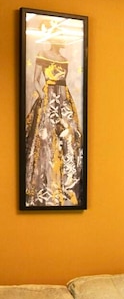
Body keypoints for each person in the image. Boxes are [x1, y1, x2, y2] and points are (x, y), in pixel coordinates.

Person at [24, 39, 83, 207]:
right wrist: (43, 97)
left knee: (70, 135)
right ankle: (45, 184)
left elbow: (62, 81)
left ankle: (67, 185)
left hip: (63, 97)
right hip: (48, 97)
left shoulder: (64, 58)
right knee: (44, 138)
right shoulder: (42, 54)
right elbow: (36, 79)